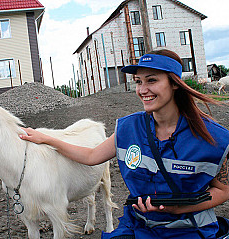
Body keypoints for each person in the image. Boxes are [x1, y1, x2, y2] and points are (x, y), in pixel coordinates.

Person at [19, 49, 229, 239]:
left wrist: (178, 208)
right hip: (139, 227)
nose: (142, 90)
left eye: (152, 80)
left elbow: (224, 190)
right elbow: (92, 156)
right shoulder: (129, 128)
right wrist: (46, 139)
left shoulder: (214, 138)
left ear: (174, 83)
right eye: (138, 81)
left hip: (190, 230)